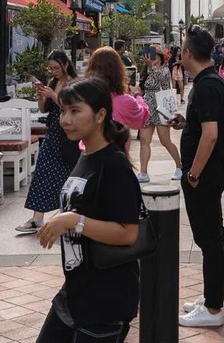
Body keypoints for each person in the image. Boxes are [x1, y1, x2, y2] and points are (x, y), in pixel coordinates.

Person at [35, 79, 141, 342]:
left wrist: (73, 220)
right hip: (75, 291)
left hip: (106, 299)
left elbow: (128, 233)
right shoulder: (85, 156)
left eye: (75, 111)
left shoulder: (114, 165)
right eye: (62, 111)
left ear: (100, 115)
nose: (65, 120)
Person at [170, 26, 224, 328]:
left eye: (181, 47)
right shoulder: (210, 83)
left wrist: (193, 173)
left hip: (203, 175)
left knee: (209, 239)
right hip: (210, 173)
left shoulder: (206, 86)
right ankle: (214, 298)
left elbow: (210, 135)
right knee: (214, 237)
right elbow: (204, 128)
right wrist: (186, 122)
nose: (179, 52)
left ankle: (213, 307)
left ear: (188, 54)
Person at [17, 50, 79, 234]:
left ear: (65, 65)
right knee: (43, 173)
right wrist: (41, 97)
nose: (54, 71)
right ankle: (37, 218)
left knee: (67, 175)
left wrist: (53, 95)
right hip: (53, 133)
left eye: (56, 67)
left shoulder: (74, 84)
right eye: (51, 68)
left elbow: (74, 107)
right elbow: (45, 110)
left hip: (68, 135)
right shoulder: (54, 82)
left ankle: (67, 214)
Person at [138, 46, 182, 182]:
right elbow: (143, 86)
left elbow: (161, 79)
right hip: (147, 107)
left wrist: (150, 66)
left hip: (161, 107)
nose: (153, 57)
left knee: (165, 141)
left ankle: (180, 167)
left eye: (156, 55)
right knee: (144, 141)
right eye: (151, 55)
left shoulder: (164, 70)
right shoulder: (147, 69)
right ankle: (143, 172)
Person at [86, 47, 150, 137]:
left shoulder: (84, 98)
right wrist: (138, 95)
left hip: (88, 149)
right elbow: (143, 117)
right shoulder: (124, 101)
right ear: (119, 70)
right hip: (116, 148)